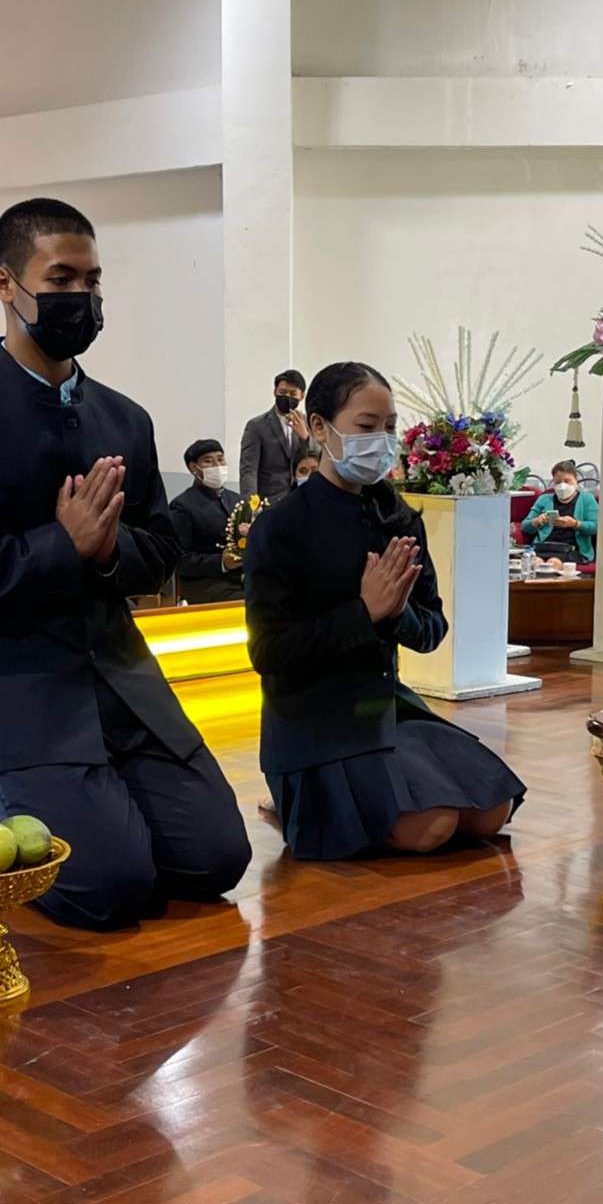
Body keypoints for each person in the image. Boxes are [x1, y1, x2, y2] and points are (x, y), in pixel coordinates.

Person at [0, 196, 250, 930]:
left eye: (92, 280)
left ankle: (100, 807)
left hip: (116, 673)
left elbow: (158, 551)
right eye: (60, 280)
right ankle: (13, 802)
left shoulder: (125, 419)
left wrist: (110, 548)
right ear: (5, 284)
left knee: (218, 859)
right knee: (107, 889)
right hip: (4, 683)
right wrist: (61, 545)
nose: (80, 297)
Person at [243, 361, 526, 860]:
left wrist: (395, 614)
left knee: (490, 811)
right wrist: (363, 612)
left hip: (385, 705)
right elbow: (269, 653)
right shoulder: (281, 526)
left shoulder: (397, 518)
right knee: (432, 827)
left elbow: (431, 629)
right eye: (366, 426)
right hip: (312, 719)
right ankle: (293, 804)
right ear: (319, 428)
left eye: (390, 427)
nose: (381, 440)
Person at [169, 438, 244, 605]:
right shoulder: (182, 506)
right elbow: (180, 560)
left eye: (220, 459)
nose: (217, 465)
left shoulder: (237, 500)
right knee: (247, 603)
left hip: (241, 578)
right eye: (208, 461)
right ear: (194, 467)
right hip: (205, 583)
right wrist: (221, 562)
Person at [239, 369, 309, 500]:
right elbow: (249, 470)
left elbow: (318, 460)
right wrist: (250, 505)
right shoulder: (256, 426)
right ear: (275, 392)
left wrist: (305, 438)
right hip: (269, 500)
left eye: (293, 393)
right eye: (282, 392)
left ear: (302, 396)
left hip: (301, 497)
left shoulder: (307, 423)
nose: (287, 397)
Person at [523, 459, 598, 568]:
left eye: (567, 481)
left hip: (571, 550)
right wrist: (536, 522)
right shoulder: (544, 499)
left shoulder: (587, 499)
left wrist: (575, 524)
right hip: (544, 547)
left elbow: (596, 527)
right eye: (558, 482)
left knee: (553, 563)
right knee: (535, 562)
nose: (562, 485)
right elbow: (525, 526)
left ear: (576, 480)